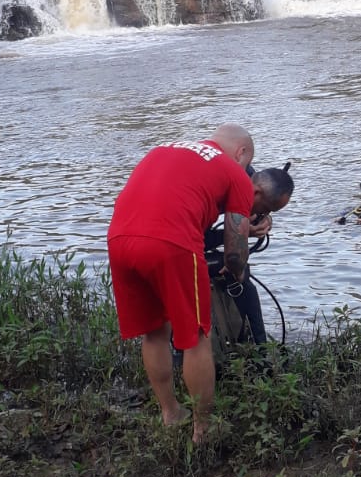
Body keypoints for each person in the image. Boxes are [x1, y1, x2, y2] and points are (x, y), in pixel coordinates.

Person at [107, 123, 284, 446]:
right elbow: (234, 253)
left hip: (120, 239)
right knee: (196, 337)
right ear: (241, 152)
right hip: (171, 245)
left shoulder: (164, 148)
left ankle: (170, 414)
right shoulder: (234, 172)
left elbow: (174, 203)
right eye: (248, 163)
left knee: (155, 332)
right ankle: (203, 429)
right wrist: (239, 271)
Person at [203, 165, 295, 346]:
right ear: (256, 193)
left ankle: (258, 350)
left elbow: (263, 194)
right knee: (236, 270)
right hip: (175, 243)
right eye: (266, 208)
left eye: (271, 212)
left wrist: (265, 220)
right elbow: (199, 239)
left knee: (242, 277)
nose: (264, 214)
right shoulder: (213, 191)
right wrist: (239, 232)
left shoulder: (247, 175)